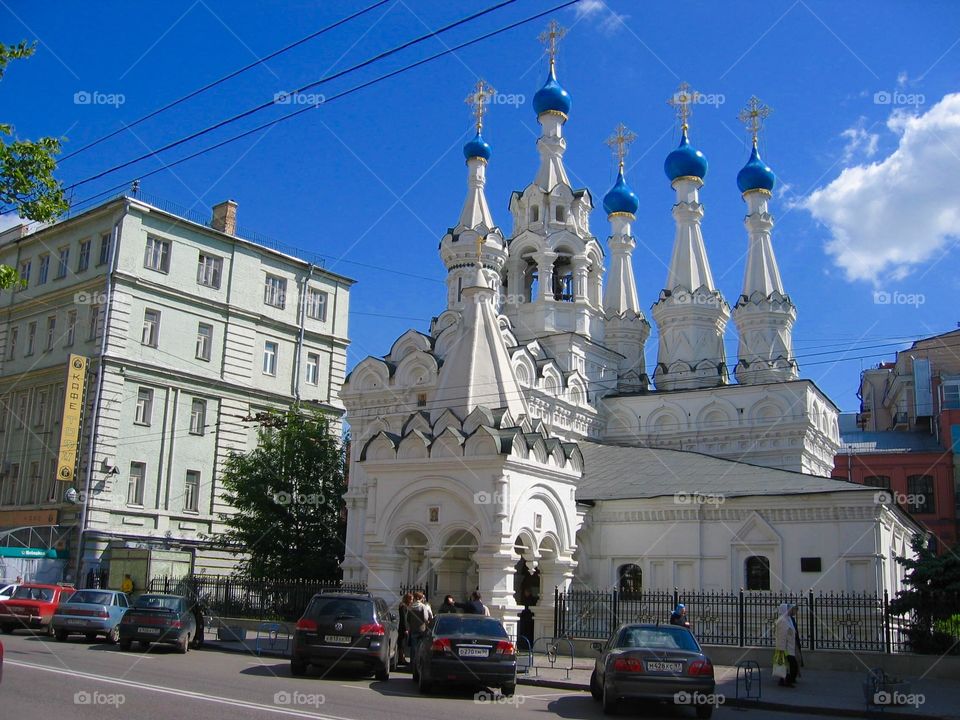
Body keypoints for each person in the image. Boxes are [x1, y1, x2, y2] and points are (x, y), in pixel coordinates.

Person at [774, 603, 799, 687]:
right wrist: (782, 649)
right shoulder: (782, 621)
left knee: (788, 665)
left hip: (789, 647)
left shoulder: (787, 619)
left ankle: (786, 680)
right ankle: (786, 681)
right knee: (789, 665)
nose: (790, 610)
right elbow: (782, 636)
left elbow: (792, 631)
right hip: (785, 648)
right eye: (788, 609)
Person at [406, 592, 433, 667]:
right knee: (421, 646)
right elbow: (425, 618)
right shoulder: (423, 606)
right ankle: (419, 662)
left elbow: (407, 619)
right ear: (421, 598)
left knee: (413, 647)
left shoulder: (411, 607)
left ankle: (413, 662)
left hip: (413, 628)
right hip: (422, 629)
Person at [397, 593, 413, 665]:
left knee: (403, 644)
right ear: (408, 599)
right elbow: (403, 618)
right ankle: (401, 658)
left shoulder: (405, 606)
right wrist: (406, 628)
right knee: (402, 644)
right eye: (411, 599)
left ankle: (402, 658)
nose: (412, 601)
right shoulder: (403, 607)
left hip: (404, 626)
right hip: (403, 627)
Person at [789, 604, 803, 677]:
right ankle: (795, 673)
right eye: (795, 610)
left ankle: (797, 672)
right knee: (795, 658)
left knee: (798, 658)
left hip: (794, 640)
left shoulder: (792, 619)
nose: (796, 612)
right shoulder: (788, 619)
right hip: (790, 642)